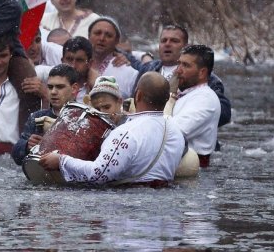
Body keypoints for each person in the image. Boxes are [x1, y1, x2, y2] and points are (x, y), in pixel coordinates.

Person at [39, 72, 185, 187]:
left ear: (138, 95)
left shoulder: (126, 132)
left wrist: (61, 161)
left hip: (131, 210)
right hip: (164, 212)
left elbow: (98, 174)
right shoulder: (176, 130)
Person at [135, 25, 231, 127]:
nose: (167, 44)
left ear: (186, 46)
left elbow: (223, 113)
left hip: (180, 135)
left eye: (174, 41)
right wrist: (144, 55)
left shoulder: (204, 78)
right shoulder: (149, 68)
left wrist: (183, 105)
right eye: (164, 40)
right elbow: (129, 56)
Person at [12, 64, 80, 165]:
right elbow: (16, 156)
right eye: (50, 87)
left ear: (74, 88)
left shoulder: (84, 119)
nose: (53, 92)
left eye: (60, 87)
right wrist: (27, 145)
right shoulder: (37, 117)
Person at [172, 44, 221, 167]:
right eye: (179, 63)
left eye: (186, 65)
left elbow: (171, 133)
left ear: (202, 72)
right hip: (174, 167)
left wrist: (168, 97)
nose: (178, 70)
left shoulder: (205, 99)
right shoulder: (185, 93)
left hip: (193, 177)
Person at [87, 17, 138, 98]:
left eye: (108, 35)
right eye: (97, 33)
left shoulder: (129, 73)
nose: (102, 38)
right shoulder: (76, 63)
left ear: (117, 41)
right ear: (89, 36)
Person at [62, 36, 98, 101]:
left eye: (79, 60)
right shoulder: (49, 80)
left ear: (90, 63)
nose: (73, 66)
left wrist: (96, 87)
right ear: (62, 61)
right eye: (69, 59)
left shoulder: (97, 86)